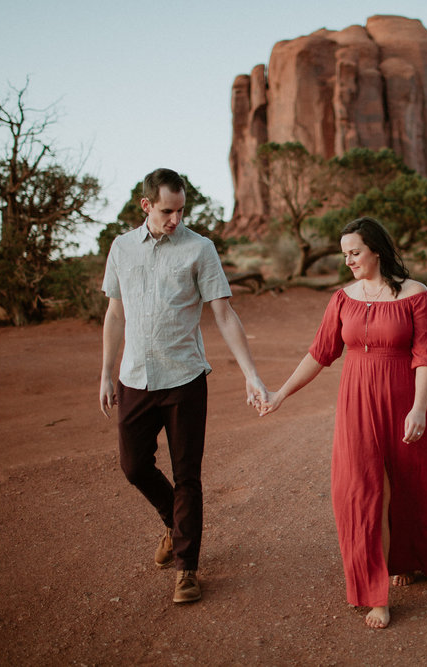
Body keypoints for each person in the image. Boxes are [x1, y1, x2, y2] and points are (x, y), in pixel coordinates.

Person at [259, 217, 427, 628]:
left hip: (402, 400)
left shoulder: (416, 295)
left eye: (355, 252)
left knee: (411, 483)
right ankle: (376, 594)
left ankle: (406, 559)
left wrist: (419, 407)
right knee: (362, 492)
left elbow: (426, 355)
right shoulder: (342, 298)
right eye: (344, 255)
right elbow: (320, 353)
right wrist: (280, 393)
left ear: (376, 249)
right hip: (356, 405)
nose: (349, 261)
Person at [99, 168, 267, 604]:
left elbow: (224, 314)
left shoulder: (199, 249)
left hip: (185, 378)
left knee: (187, 475)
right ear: (146, 206)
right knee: (133, 465)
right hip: (135, 377)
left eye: (181, 210)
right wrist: (105, 372)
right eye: (167, 211)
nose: (176, 219)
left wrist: (251, 374)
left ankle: (186, 570)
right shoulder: (121, 249)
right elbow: (115, 314)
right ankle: (173, 523)